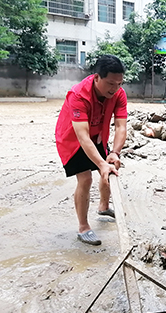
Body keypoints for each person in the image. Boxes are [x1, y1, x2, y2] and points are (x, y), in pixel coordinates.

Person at [55, 55, 128, 246]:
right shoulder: (78, 95)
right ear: (97, 77)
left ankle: (103, 207)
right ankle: (83, 227)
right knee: (86, 178)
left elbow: (121, 127)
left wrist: (115, 153)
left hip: (97, 135)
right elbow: (82, 136)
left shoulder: (119, 94)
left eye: (119, 83)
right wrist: (101, 163)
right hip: (73, 140)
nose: (115, 88)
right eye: (110, 83)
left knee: (108, 170)